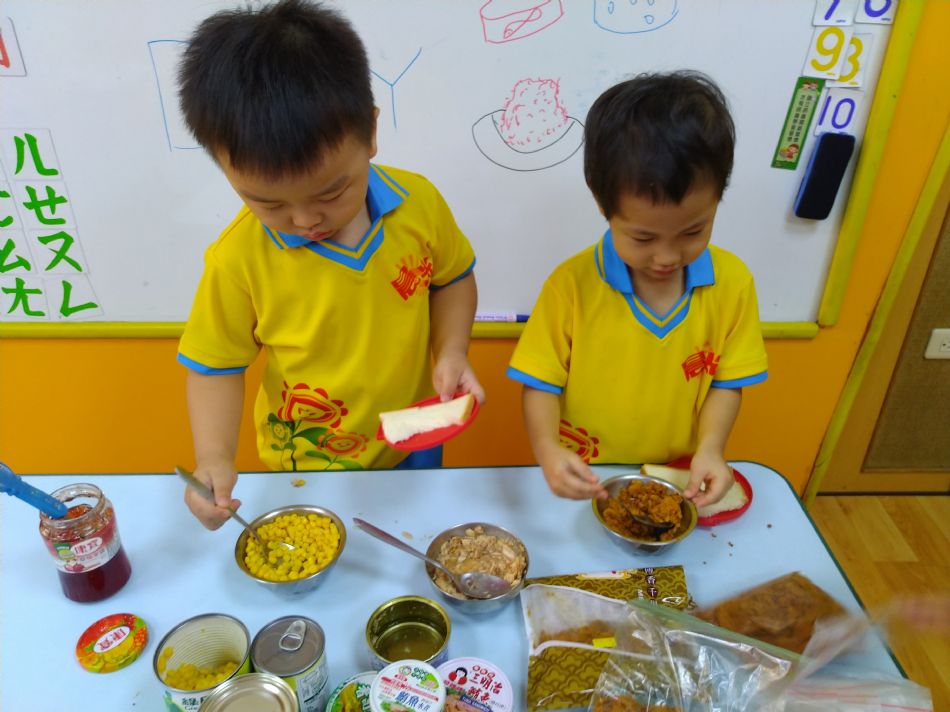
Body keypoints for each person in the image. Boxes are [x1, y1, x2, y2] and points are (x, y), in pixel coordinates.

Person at [176, 0, 484, 530]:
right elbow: (214, 368)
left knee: (418, 541)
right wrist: (214, 459)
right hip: (312, 464)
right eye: (268, 203)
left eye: (331, 192)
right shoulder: (238, 260)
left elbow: (452, 278)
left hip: (415, 432)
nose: (304, 220)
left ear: (370, 132)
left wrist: (452, 349)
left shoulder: (419, 205)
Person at [508, 71, 767, 506]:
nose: (666, 257)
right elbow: (540, 383)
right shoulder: (571, 285)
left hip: (677, 474)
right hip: (587, 474)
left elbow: (726, 383)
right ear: (602, 205)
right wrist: (548, 450)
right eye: (643, 238)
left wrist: (711, 448)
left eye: (693, 231)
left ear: (718, 199)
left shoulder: (733, 284)